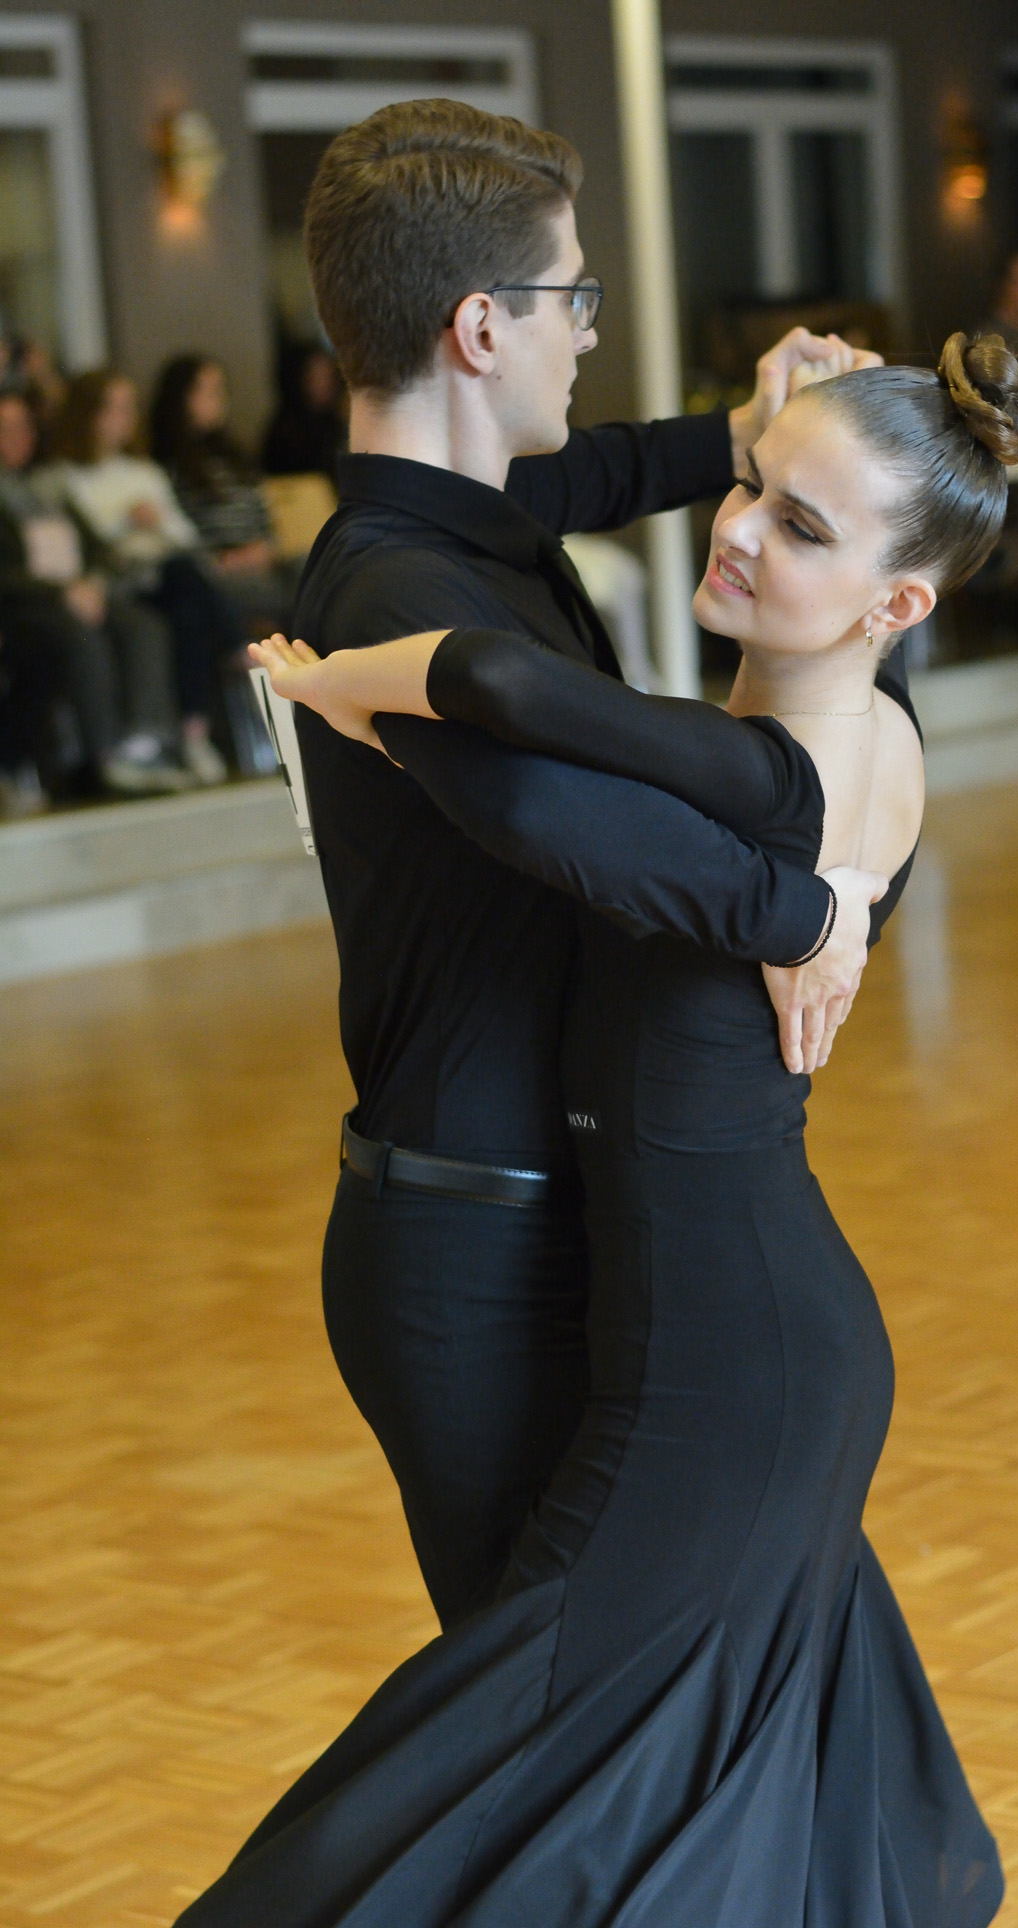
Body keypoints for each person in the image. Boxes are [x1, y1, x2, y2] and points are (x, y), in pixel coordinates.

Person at [96, 331, 1018, 1928]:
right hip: (737, 1325)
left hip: (730, 1351)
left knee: (529, 1696)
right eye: (752, 486)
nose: (741, 529)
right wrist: (377, 707)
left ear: (897, 604)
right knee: (676, 1713)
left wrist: (341, 695)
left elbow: (511, 701)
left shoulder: (789, 775)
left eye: (804, 526)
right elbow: (527, 703)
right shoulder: (805, 731)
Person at [233, 99, 883, 1647]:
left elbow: (605, 470)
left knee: (632, 1695)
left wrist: (753, 431)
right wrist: (803, 911)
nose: (587, 331)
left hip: (535, 1206)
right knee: (548, 1717)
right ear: (480, 327)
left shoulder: (471, 518)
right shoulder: (393, 583)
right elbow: (548, 809)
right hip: (470, 1246)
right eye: (572, 297)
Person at [43, 369, 239, 785]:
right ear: (88, 413)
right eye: (112, 408)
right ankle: (239, 644)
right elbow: (90, 542)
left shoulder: (144, 471)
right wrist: (127, 521)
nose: (122, 419)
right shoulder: (64, 477)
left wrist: (155, 522)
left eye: (128, 408)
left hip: (166, 577)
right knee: (182, 579)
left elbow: (184, 535)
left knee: (187, 610)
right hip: (119, 579)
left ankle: (192, 734)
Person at [0, 386, 187, 797]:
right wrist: (61, 591)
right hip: (24, 606)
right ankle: (104, 756)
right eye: (7, 427)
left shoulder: (47, 488)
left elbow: (97, 547)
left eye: (24, 426)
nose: (18, 436)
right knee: (81, 636)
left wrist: (92, 582)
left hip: (77, 594)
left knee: (143, 625)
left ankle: (144, 743)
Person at [149, 353, 295, 632]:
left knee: (310, 568)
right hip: (218, 572)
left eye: (220, 390)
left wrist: (264, 550)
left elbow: (265, 521)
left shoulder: (236, 458)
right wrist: (228, 560)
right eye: (208, 391)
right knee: (303, 596)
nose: (218, 399)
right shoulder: (168, 469)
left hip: (261, 562)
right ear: (181, 398)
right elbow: (180, 535)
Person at [261, 342, 347, 477]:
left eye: (327, 376)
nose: (324, 383)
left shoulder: (340, 424)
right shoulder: (284, 433)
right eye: (316, 376)